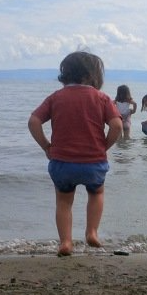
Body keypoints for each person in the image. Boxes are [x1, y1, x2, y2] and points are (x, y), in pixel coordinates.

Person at [28, 51, 123, 256]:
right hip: (93, 162)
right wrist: (104, 146)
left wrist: (46, 146)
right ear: (93, 76)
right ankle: (92, 232)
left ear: (65, 74)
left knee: (63, 201)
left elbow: (33, 121)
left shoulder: (55, 97)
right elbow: (117, 125)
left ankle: (66, 242)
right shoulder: (102, 98)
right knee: (96, 193)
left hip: (62, 162)